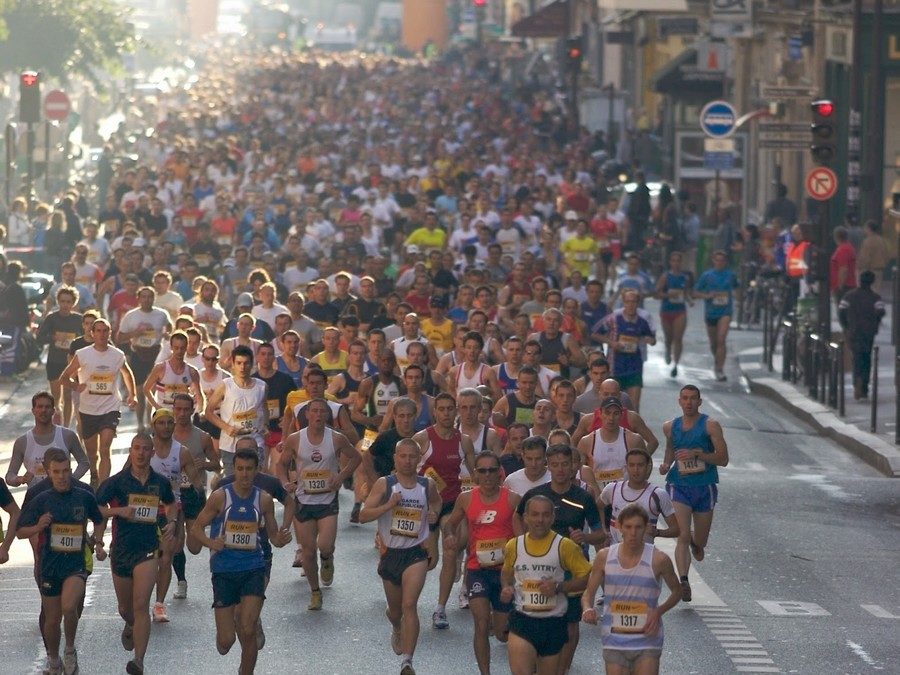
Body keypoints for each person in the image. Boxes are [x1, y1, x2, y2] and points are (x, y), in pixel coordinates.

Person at [190, 447, 291, 675]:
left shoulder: (263, 500)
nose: (244, 474)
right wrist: (211, 542)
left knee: (248, 629)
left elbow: (273, 536)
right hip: (224, 570)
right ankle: (224, 636)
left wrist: (281, 539)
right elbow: (196, 528)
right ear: (234, 470)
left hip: (253, 568)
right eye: (240, 469)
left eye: (249, 470)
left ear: (257, 471)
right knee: (226, 642)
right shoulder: (220, 497)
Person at [516, 444, 606, 674]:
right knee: (539, 617)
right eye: (555, 465)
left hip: (571, 568)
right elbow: (517, 517)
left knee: (570, 621)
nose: (560, 469)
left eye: (565, 464)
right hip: (540, 568)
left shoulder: (584, 497)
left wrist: (584, 535)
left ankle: (562, 669)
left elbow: (601, 533)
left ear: (574, 466)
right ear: (549, 466)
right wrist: (521, 542)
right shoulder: (537, 495)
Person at [16, 448, 106, 675]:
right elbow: (20, 531)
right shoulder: (40, 499)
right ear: (48, 472)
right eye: (57, 472)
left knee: (69, 606)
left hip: (75, 564)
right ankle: (53, 659)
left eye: (66, 471)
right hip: (50, 565)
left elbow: (98, 518)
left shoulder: (84, 495)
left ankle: (70, 649)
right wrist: (38, 527)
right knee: (52, 619)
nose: (62, 476)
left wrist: (98, 542)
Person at [96, 433, 177, 675]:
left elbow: (171, 504)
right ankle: (131, 624)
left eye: (145, 449)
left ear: (152, 453)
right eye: (136, 448)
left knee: (141, 605)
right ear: (130, 451)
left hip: (147, 549)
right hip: (121, 550)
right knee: (126, 608)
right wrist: (119, 511)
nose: (141, 453)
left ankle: (138, 661)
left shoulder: (160, 482)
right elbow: (97, 509)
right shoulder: (116, 482)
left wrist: (171, 521)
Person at [360, 438, 442, 675]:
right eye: (402, 456)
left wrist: (434, 515)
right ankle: (396, 626)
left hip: (416, 553)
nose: (407, 461)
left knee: (409, 605)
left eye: (412, 456)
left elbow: (437, 504)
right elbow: (364, 515)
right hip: (391, 553)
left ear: (419, 460)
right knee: (396, 611)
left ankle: (407, 661)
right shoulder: (385, 485)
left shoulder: (428, 485)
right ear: (395, 459)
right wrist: (388, 506)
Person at [277, 398, 361, 610]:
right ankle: (315, 592)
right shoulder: (295, 439)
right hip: (303, 500)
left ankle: (327, 558)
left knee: (324, 545)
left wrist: (341, 477)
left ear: (327, 416)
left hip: (327, 500)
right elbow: (281, 465)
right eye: (314, 411)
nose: (318, 415)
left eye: (322, 412)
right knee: (306, 551)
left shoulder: (337, 439)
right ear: (307, 415)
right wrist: (286, 482)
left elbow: (356, 458)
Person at [581, 504, 683, 675]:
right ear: (619, 527)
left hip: (647, 639)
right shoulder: (604, 557)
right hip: (614, 639)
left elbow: (677, 591)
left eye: (638, 527)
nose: (633, 533)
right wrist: (587, 609)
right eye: (628, 527)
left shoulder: (658, 559)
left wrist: (658, 611)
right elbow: (589, 593)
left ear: (646, 528)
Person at [443, 452, 521, 675]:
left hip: (506, 572)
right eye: (482, 471)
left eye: (492, 470)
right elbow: (450, 523)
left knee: (500, 632)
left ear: (499, 473)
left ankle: (522, 652)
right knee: (480, 623)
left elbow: (524, 535)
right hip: (477, 569)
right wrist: (449, 535)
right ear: (475, 474)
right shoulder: (466, 498)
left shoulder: (513, 499)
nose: (487, 475)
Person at [500, 494, 592, 675]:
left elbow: (589, 577)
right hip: (522, 620)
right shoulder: (514, 545)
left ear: (552, 518)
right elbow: (506, 573)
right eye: (534, 515)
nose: (540, 520)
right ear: (525, 518)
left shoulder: (565, 546)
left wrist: (559, 587)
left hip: (554, 623)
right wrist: (506, 587)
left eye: (545, 515)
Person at [412, 392, 476, 630]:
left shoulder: (464, 441)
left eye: (451, 409)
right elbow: (403, 468)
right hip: (425, 504)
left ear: (456, 411)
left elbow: (476, 474)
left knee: (450, 550)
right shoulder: (422, 438)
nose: (447, 413)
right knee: (429, 561)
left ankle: (440, 609)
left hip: (451, 503)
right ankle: (408, 599)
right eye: (442, 409)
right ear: (435, 412)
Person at [660, 385, 729, 602]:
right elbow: (671, 448)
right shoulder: (670, 426)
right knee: (681, 534)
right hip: (678, 484)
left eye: (693, 399)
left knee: (700, 542)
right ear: (679, 401)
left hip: (704, 486)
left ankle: (695, 541)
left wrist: (699, 454)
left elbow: (723, 459)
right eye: (685, 398)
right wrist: (665, 464)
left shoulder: (711, 426)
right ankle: (684, 581)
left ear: (700, 402)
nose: (688, 402)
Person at [57, 318, 137, 487]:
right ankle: (94, 473)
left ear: (109, 333)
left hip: (110, 407)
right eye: (98, 331)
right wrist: (75, 385)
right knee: (92, 453)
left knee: (105, 448)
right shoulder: (83, 354)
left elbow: (127, 374)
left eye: (105, 330)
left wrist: (133, 395)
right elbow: (64, 378)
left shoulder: (117, 355)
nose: (102, 334)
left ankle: (103, 485)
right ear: (92, 334)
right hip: (88, 409)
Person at [170, 393, 219, 600]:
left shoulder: (202, 437)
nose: (181, 414)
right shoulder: (165, 434)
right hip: (172, 494)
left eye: (185, 409)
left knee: (195, 546)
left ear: (192, 410)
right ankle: (181, 581)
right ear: (173, 410)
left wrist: (204, 464)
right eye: (178, 409)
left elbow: (217, 465)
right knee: (175, 541)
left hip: (194, 492)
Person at [205, 345, 269, 476]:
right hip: (230, 443)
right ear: (232, 364)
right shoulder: (225, 385)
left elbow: (265, 407)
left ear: (252, 364)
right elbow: (208, 412)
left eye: (246, 363)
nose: (242, 367)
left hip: (255, 440)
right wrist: (226, 427)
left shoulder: (262, 386)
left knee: (255, 479)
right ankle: (220, 480)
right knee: (232, 480)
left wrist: (266, 425)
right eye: (239, 363)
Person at [6, 391, 90, 491]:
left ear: (53, 411)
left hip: (64, 495)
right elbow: (10, 476)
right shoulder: (22, 442)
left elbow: (84, 462)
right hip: (36, 498)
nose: (43, 410)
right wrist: (20, 479)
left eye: (47, 407)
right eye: (40, 407)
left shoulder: (67, 436)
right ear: (33, 410)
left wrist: (70, 479)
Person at [118, 286, 173, 430]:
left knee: (152, 390)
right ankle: (140, 423)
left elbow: (170, 327)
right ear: (139, 298)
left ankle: (149, 421)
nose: (147, 299)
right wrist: (135, 333)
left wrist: (167, 334)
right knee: (140, 391)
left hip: (155, 353)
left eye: (150, 296)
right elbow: (119, 337)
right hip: (138, 353)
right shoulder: (131, 315)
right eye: (144, 296)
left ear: (154, 298)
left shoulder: (161, 314)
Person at [600, 449, 679, 544]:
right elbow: (596, 507)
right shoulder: (612, 489)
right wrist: (603, 530)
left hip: (644, 555)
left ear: (648, 467)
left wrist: (657, 532)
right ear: (626, 467)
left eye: (640, 465)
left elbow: (676, 530)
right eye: (632, 465)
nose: (636, 469)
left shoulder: (658, 495)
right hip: (616, 552)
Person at [598, 290, 656, 410]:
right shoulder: (613, 319)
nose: (631, 305)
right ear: (623, 302)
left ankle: (633, 428)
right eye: (628, 301)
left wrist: (650, 340)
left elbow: (652, 339)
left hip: (634, 367)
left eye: (634, 302)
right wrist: (612, 343)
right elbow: (595, 333)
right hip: (615, 367)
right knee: (612, 406)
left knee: (633, 408)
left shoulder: (642, 322)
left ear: (638, 303)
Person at [36, 286, 84, 427]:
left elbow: (86, 339)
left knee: (68, 396)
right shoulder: (51, 318)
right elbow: (39, 338)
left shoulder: (78, 319)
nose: (65, 305)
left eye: (68, 302)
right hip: (54, 361)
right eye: (62, 301)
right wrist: (53, 337)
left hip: (71, 363)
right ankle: (57, 422)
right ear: (58, 301)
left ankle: (66, 427)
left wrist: (75, 341)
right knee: (56, 399)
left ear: (73, 303)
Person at [838, 270, 887, 400]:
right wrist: (874, 322)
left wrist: (846, 326)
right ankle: (864, 386)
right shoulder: (875, 297)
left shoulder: (848, 296)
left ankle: (857, 382)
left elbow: (841, 312)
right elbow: (881, 311)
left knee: (856, 358)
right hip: (868, 332)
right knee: (867, 358)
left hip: (853, 332)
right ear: (872, 282)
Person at [694, 251, 737, 382]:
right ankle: (717, 360)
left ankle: (720, 369)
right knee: (714, 343)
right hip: (711, 313)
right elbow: (695, 292)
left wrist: (739, 298)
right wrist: (707, 296)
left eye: (722, 260)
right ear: (713, 261)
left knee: (721, 339)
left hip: (725, 312)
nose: (719, 263)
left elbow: (737, 288)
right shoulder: (707, 275)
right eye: (717, 260)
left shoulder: (730, 275)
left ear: (725, 262)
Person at [142, 331, 203, 414]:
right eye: (176, 348)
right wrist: (157, 407)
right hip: (164, 415)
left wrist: (200, 412)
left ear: (186, 347)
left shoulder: (192, 371)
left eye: (182, 348)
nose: (179, 351)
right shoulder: (161, 368)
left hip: (182, 415)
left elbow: (199, 395)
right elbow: (146, 389)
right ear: (171, 347)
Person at [655, 251, 692, 378]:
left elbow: (685, 293)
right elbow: (657, 293)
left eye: (678, 261)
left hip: (680, 311)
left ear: (681, 263)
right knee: (669, 338)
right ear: (670, 262)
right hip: (666, 310)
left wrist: (689, 300)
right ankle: (667, 349)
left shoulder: (685, 277)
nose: (676, 263)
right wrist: (668, 295)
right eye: (673, 261)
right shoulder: (665, 276)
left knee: (678, 338)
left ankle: (676, 364)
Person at [830, 225, 858, 306]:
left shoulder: (843, 249)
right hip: (847, 285)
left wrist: (840, 286)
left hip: (844, 286)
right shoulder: (847, 247)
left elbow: (843, 269)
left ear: (836, 237)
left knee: (842, 311)